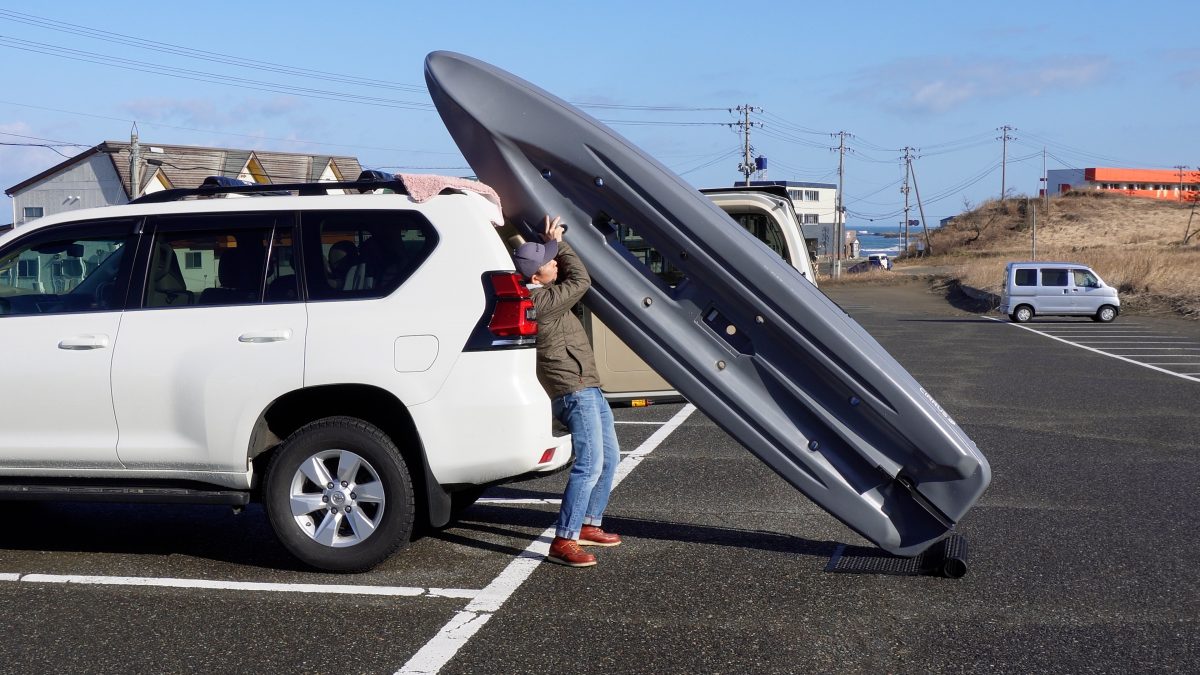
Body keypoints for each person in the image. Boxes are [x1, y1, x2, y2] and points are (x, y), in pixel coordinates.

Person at [512, 215, 622, 568]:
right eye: (548, 260)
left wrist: (551, 244)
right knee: (589, 465)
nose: (554, 260)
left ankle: (589, 524)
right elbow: (582, 279)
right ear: (534, 277)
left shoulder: (544, 292)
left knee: (610, 458)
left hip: (587, 386)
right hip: (574, 390)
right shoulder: (542, 302)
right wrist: (560, 241)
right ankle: (564, 539)